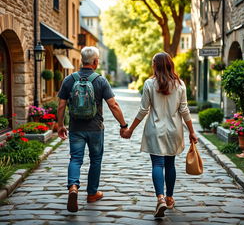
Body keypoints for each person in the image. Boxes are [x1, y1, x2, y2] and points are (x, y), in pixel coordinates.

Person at [121, 52, 198, 218]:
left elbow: (143, 110)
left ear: (155, 65)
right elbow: (184, 110)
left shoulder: (149, 84)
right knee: (170, 165)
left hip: (155, 130)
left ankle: (160, 198)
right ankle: (170, 198)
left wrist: (130, 130)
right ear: (170, 65)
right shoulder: (180, 84)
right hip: (174, 130)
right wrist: (191, 131)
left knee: (157, 164)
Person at [57, 46, 128, 212]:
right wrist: (123, 125)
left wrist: (60, 125)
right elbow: (113, 105)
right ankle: (92, 193)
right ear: (95, 62)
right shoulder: (100, 80)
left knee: (75, 159)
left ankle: (73, 187)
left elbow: (61, 106)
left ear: (82, 61)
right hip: (96, 128)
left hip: (75, 128)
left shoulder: (69, 80)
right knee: (95, 160)